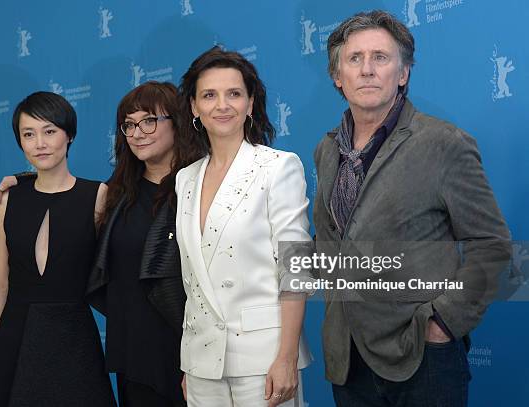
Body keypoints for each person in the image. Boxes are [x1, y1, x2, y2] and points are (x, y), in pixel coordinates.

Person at [313, 10, 511, 406]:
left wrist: (442, 323)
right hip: (347, 361)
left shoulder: (443, 144)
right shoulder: (326, 150)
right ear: (338, 76)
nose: (367, 69)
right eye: (355, 59)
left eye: (380, 58)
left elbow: (492, 246)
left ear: (402, 73)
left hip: (423, 360)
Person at [0, 82, 195, 406]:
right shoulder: (118, 194)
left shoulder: (200, 188)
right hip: (132, 348)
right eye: (129, 125)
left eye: (149, 121)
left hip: (187, 344)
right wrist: (25, 180)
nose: (138, 132)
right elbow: (60, 198)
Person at [175, 46, 313, 407]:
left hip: (264, 359)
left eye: (234, 94)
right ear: (194, 107)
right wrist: (192, 364)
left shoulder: (278, 167)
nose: (222, 105)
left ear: (250, 104)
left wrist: (287, 358)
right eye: (209, 95)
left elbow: (295, 269)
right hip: (202, 361)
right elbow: (193, 280)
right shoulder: (185, 179)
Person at [0, 91, 116, 406]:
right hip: (15, 334)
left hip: (73, 337)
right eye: (28, 134)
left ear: (69, 135)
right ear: (20, 142)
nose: (40, 143)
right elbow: (1, 280)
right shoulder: (8, 198)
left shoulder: (98, 195)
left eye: (50, 131)